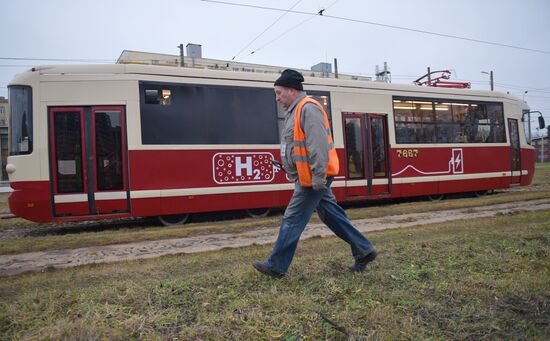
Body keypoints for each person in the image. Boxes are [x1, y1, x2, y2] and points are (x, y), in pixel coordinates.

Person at [252, 69, 377, 278]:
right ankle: (364, 250)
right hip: (307, 175)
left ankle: (276, 267)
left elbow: (317, 145)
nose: (277, 98)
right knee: (331, 215)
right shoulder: (295, 110)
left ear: (291, 90)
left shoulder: (308, 108)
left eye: (279, 93)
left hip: (312, 177)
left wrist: (318, 177)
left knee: (292, 219)